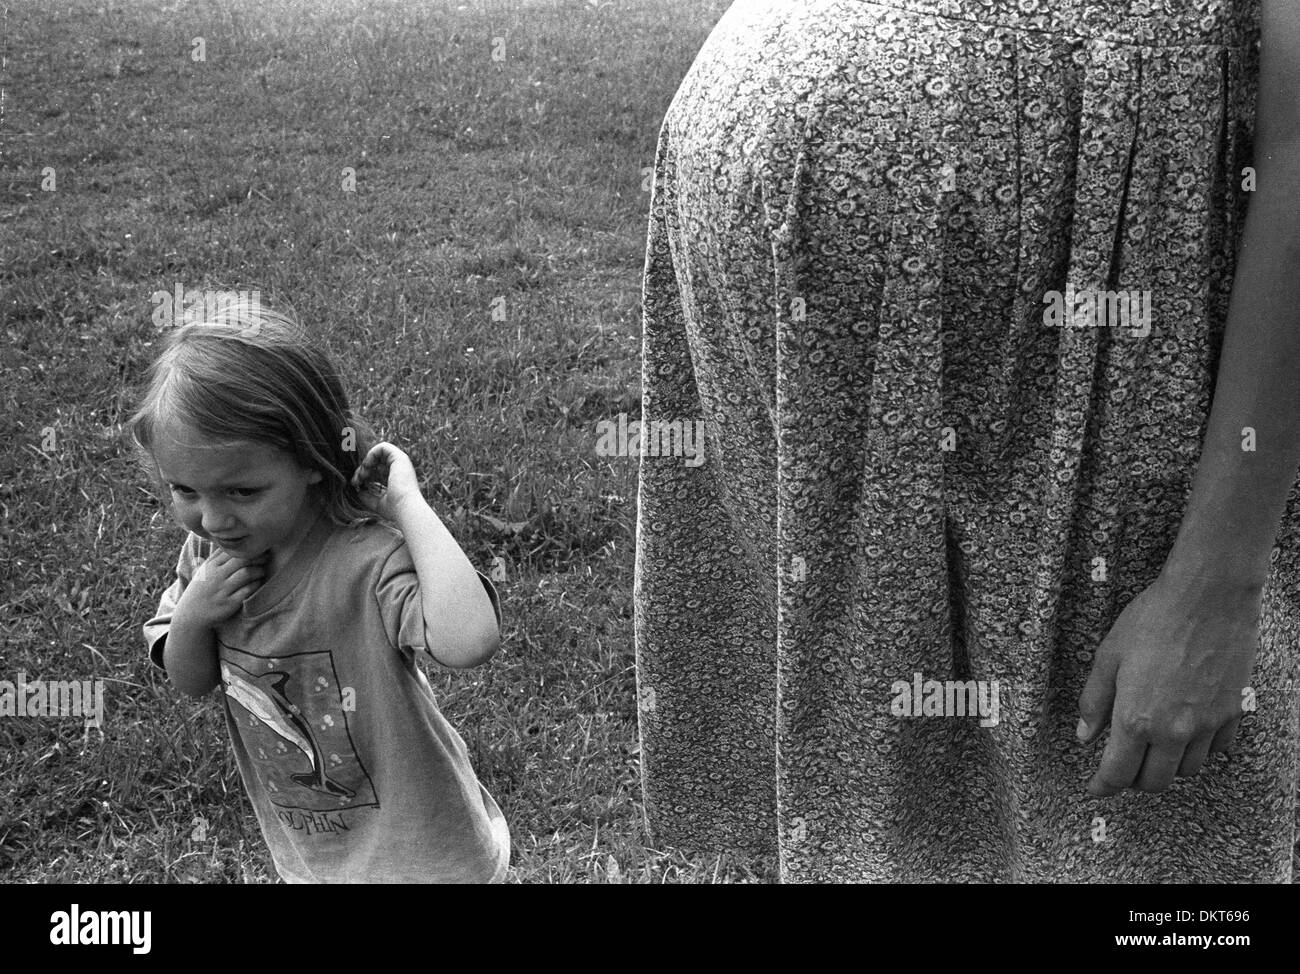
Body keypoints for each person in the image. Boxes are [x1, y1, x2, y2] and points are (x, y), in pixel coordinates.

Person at [634, 0, 1300, 881]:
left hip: (929, 184)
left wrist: (1215, 580)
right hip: (980, 202)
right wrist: (1221, 578)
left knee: (1105, 781)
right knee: (981, 789)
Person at [133, 298, 509, 883]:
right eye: (185, 490)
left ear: (312, 459)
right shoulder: (208, 561)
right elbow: (193, 680)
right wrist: (193, 616)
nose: (212, 520)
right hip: (315, 855)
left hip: (426, 854)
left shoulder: (364, 558)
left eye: (241, 491)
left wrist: (406, 505)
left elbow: (470, 641)